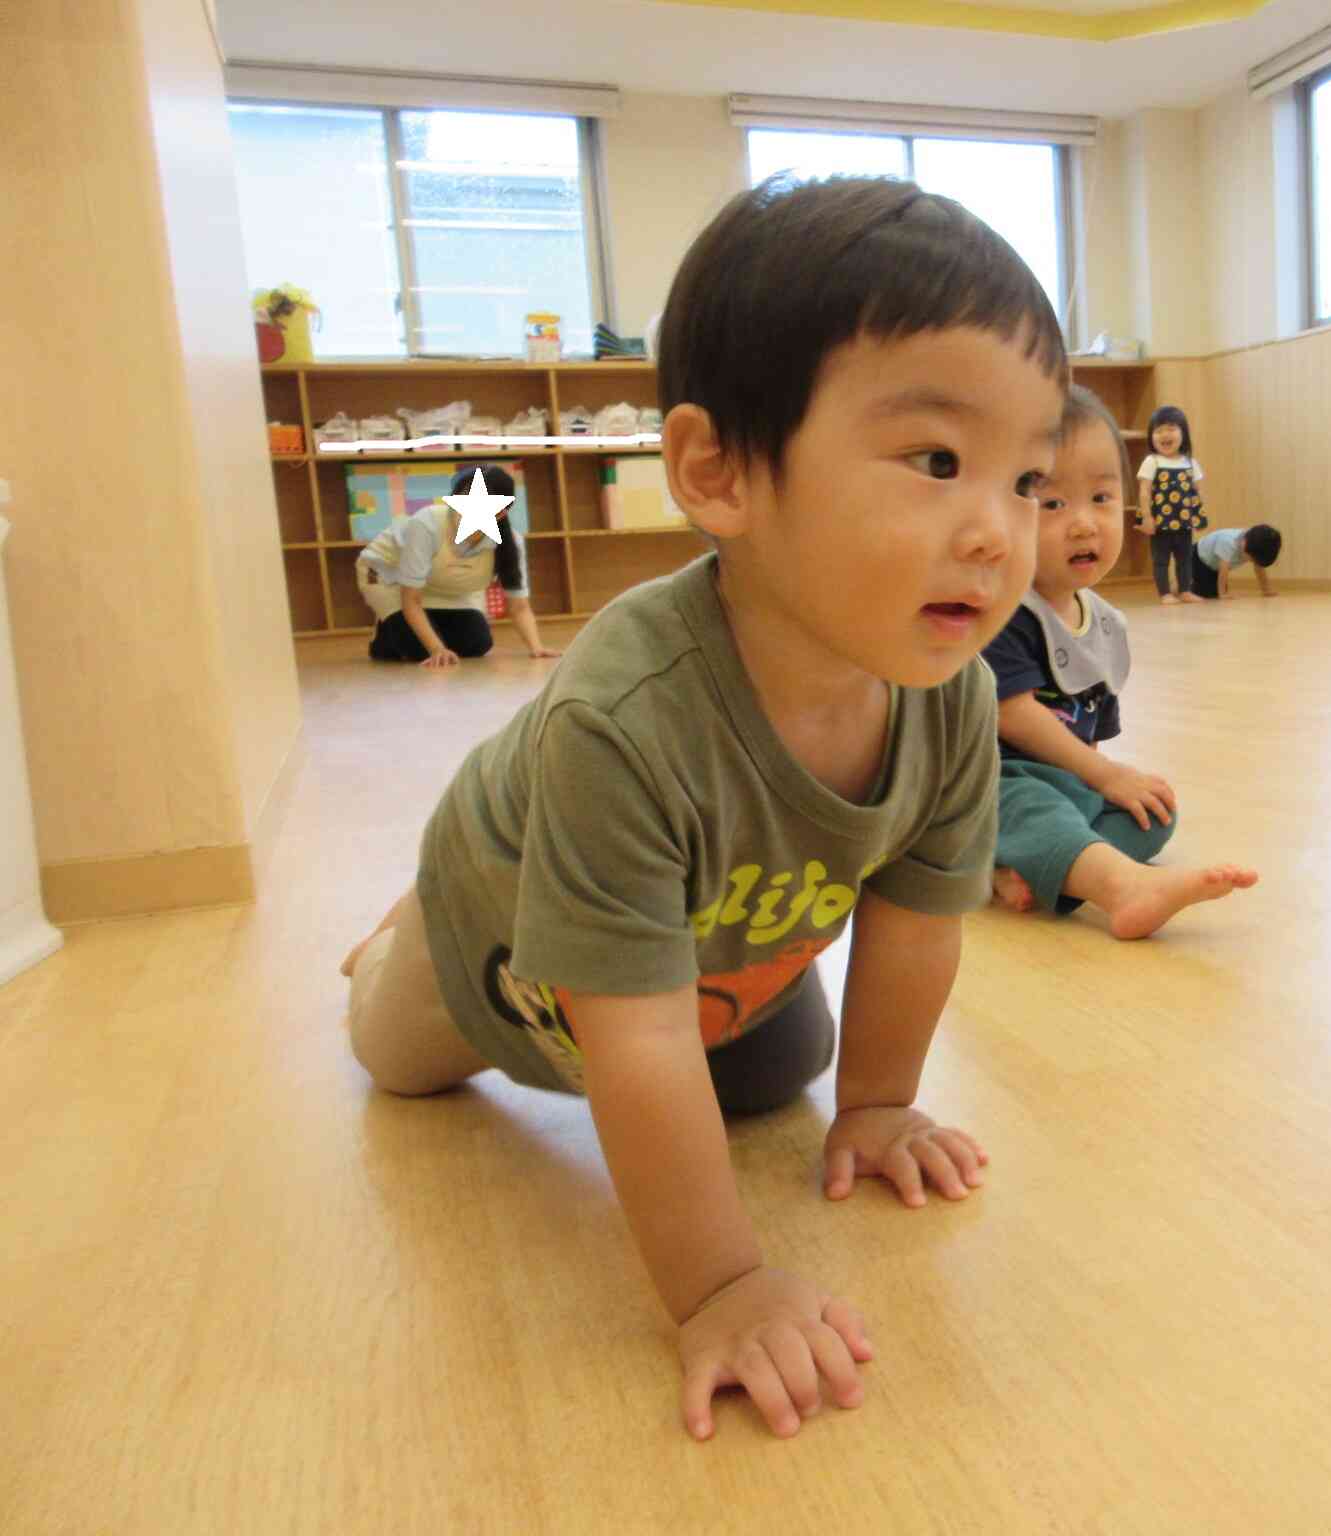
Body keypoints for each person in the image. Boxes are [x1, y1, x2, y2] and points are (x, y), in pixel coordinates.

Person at [338, 175, 1070, 1440]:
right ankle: (412, 917)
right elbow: (633, 1049)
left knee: (780, 1076)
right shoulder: (626, 718)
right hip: (491, 954)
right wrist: (720, 1286)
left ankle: (623, 930)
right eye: (938, 462)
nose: (998, 533)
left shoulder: (946, 686)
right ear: (718, 471)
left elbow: (915, 921)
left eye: (1025, 480)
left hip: (724, 958)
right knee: (395, 1067)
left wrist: (881, 1105)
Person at [983, 384, 1259, 937]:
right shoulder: (1003, 610)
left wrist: (1107, 782)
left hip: (1061, 783)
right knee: (1035, 806)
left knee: (1154, 815)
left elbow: (1089, 738)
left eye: (1102, 499)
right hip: (991, 784)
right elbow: (1012, 714)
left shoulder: (1107, 625)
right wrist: (1105, 776)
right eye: (1053, 504)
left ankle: (1033, 869)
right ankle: (1122, 888)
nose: (1084, 524)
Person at [355, 464, 561, 666]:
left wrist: (536, 647)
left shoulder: (511, 542)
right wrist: (437, 649)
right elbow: (411, 599)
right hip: (389, 579)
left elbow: (519, 606)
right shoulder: (427, 523)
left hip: (446, 585)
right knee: (418, 650)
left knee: (477, 644)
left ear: (500, 513)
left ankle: (411, 627)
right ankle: (387, 629)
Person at [1136, 405, 1209, 604]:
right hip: (1160, 521)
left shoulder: (1190, 462)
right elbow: (1144, 491)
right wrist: (1147, 517)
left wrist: (1197, 515)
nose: (1164, 435)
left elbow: (1197, 492)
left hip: (1184, 522)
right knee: (1161, 559)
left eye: (1170, 428)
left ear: (1183, 433)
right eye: (1158, 431)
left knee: (1185, 558)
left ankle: (1185, 590)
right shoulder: (1152, 461)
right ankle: (1165, 593)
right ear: (1151, 437)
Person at [1191, 523, 1283, 601]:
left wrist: (1266, 589)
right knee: (1205, 592)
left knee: (1212, 591)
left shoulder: (1253, 545)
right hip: (1198, 557)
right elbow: (1224, 569)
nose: (1251, 561)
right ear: (1245, 543)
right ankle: (1184, 588)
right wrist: (1223, 593)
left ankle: (1189, 585)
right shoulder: (1228, 542)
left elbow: (1259, 568)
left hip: (1213, 565)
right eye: (1251, 559)